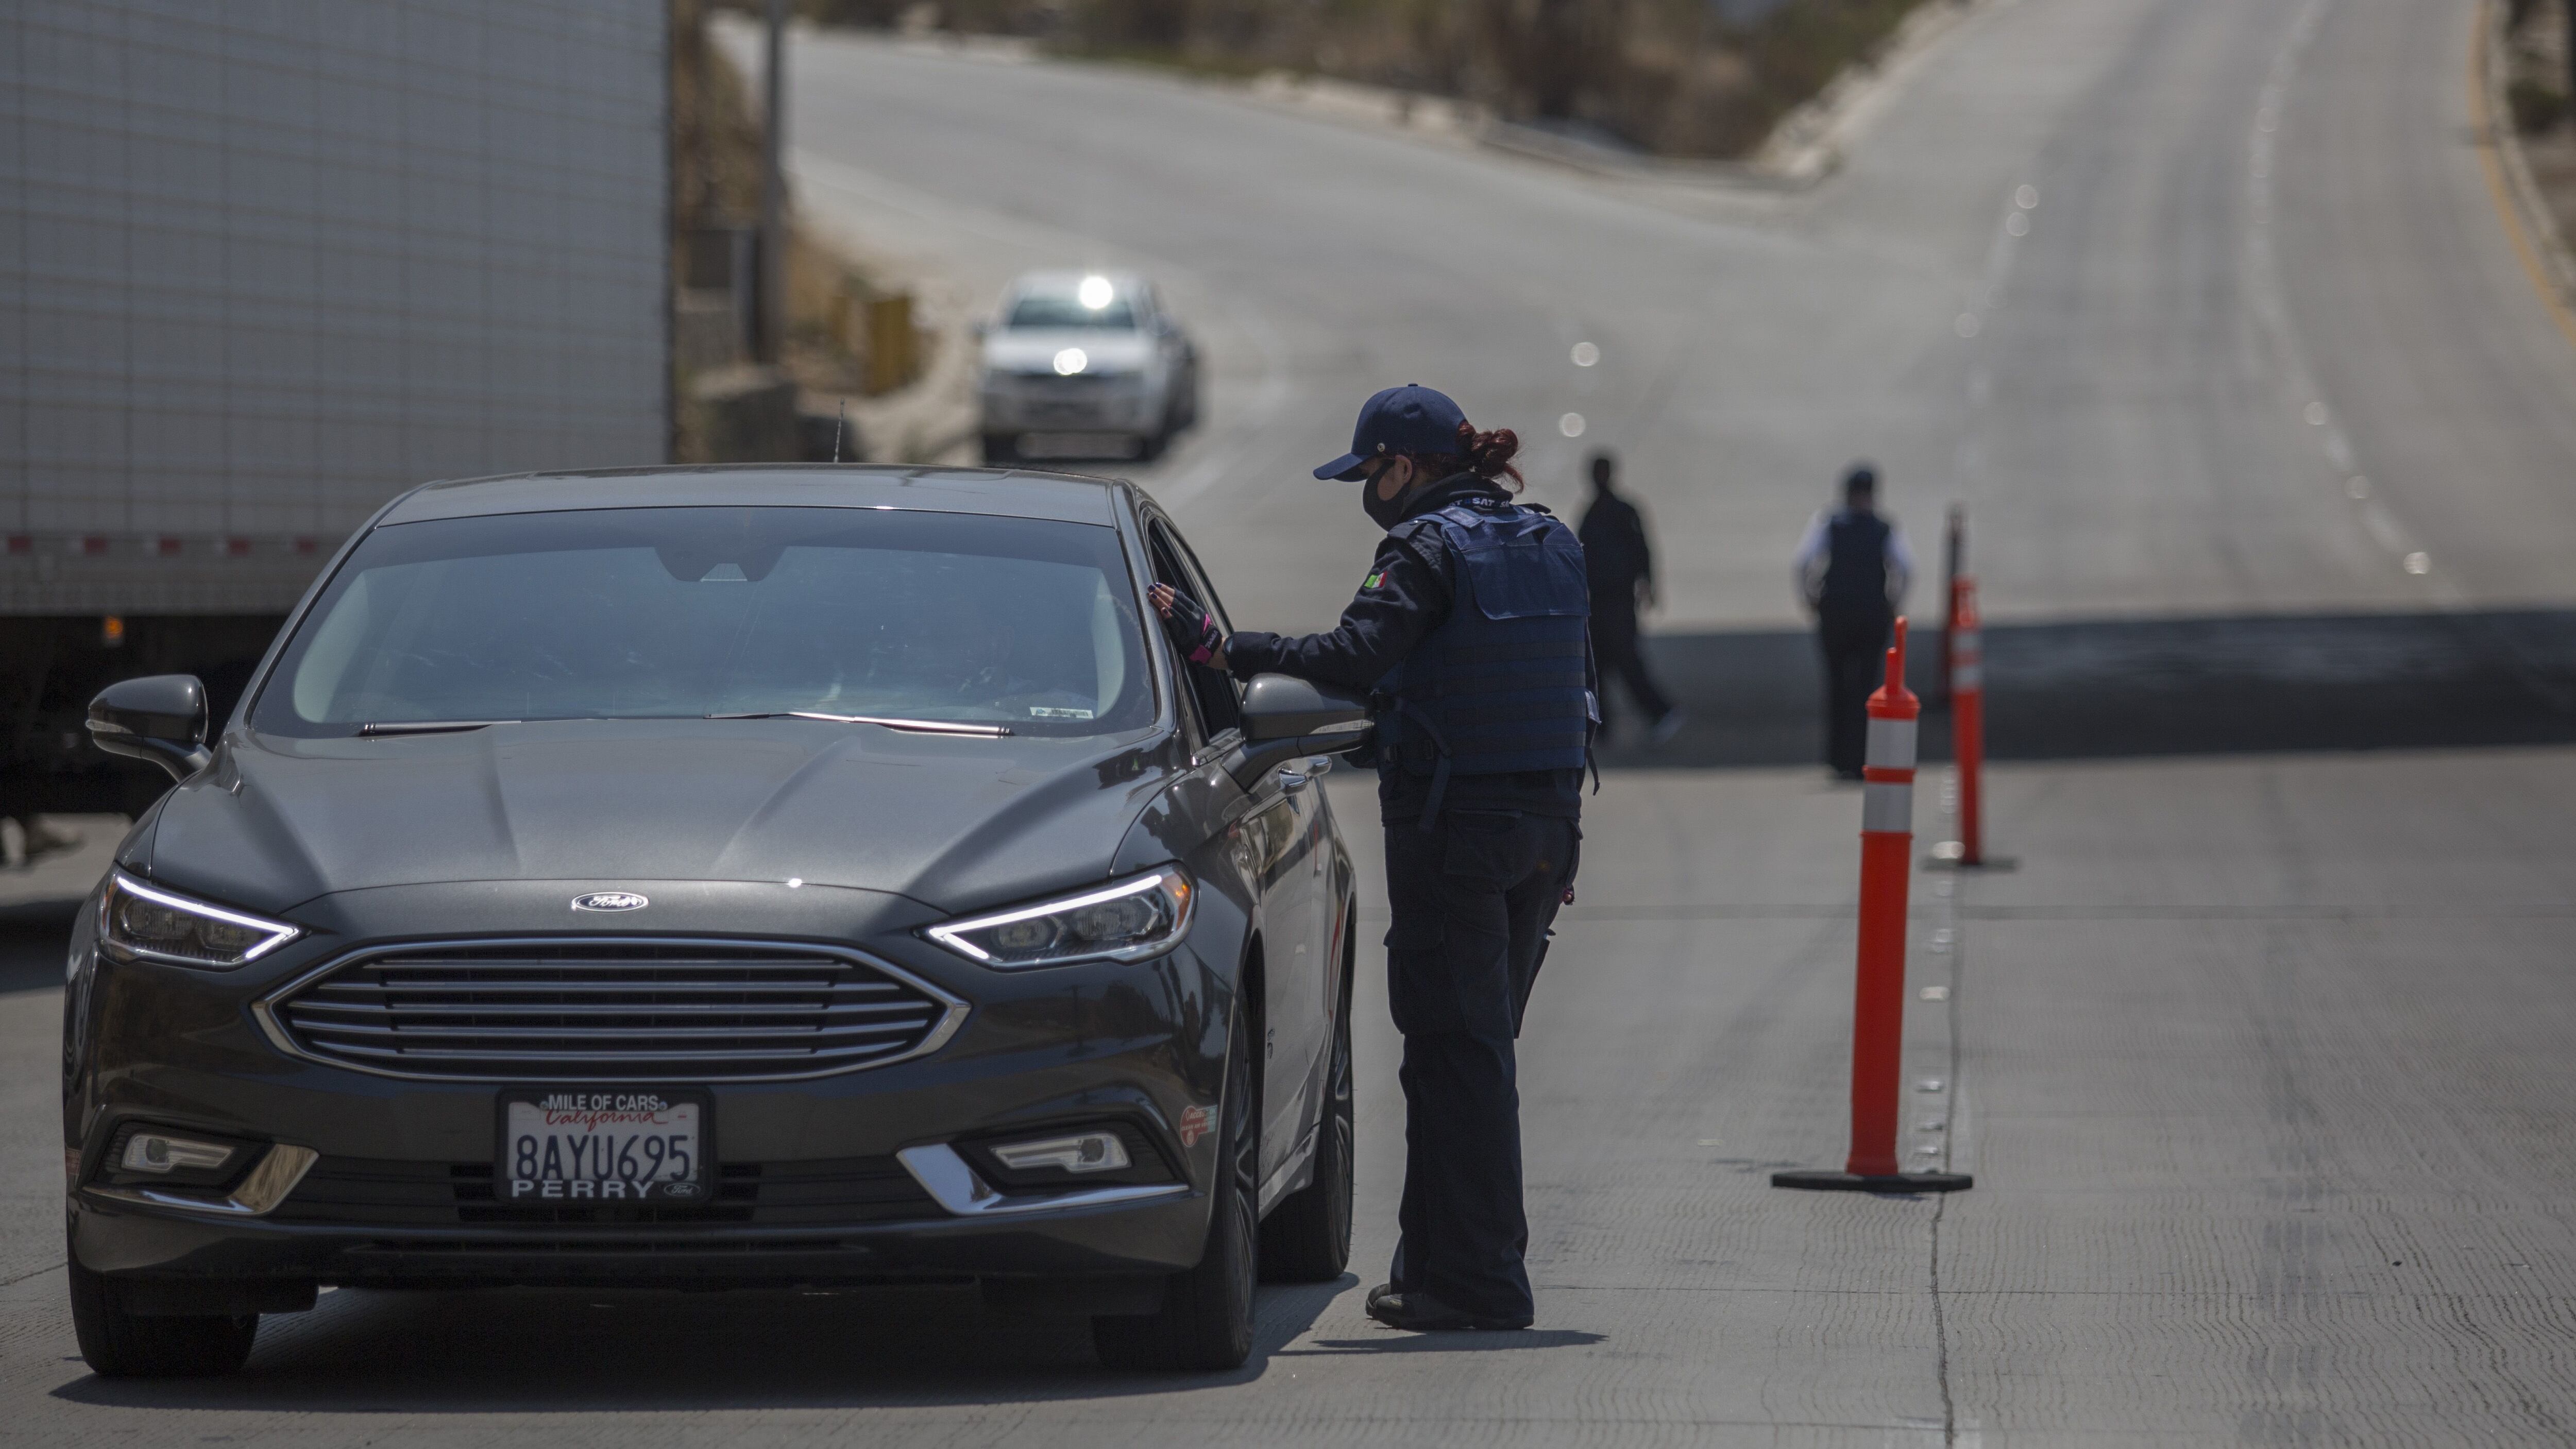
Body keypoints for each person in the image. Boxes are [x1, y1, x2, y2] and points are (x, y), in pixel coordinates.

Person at [1148, 384, 1589, 1333]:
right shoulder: (1548, 541)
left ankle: (1479, 1281)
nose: (1368, 493)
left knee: (1456, 1054)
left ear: (1407, 465)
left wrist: (1226, 649)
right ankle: (1436, 1270)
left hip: (1457, 834)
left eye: (1370, 474)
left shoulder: (1425, 549)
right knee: (1464, 1051)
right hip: (1545, 833)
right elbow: (1555, 690)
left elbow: (1355, 654)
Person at [1793, 463, 1913, 779]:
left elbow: (1803, 562)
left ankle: (1837, 759)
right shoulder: (1885, 527)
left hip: (1835, 614)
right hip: (1871, 615)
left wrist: (1808, 597)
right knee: (1866, 687)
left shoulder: (1828, 523)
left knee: (1837, 686)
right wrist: (1894, 603)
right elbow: (1906, 567)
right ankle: (1861, 758)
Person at [1577, 452, 1682, 745]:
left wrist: (1649, 587)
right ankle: (1602, 725)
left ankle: (1661, 713)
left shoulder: (1623, 511)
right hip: (1598, 602)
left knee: (1626, 660)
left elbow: (1643, 550)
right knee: (1597, 666)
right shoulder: (1592, 513)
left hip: (1619, 600)